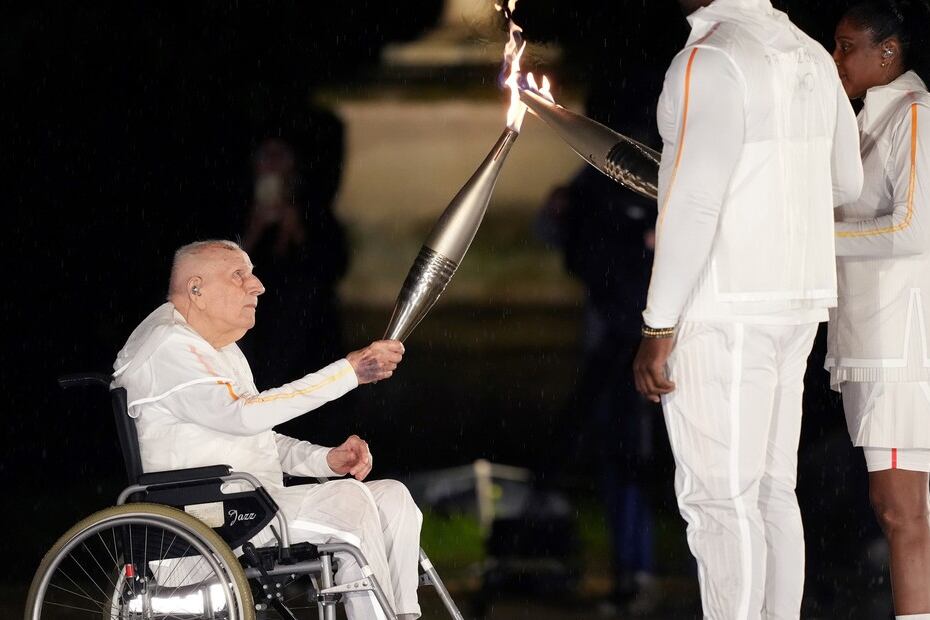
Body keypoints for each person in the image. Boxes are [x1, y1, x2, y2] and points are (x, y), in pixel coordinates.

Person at [632, 0, 863, 617]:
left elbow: (696, 201)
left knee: (719, 500)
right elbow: (847, 181)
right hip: (795, 299)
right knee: (768, 492)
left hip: (725, 305)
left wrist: (659, 323)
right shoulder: (811, 51)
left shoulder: (711, 57)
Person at [112, 239, 419, 620]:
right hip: (206, 519)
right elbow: (246, 415)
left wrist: (324, 459)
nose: (257, 285)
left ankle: (403, 615)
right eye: (239, 275)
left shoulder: (217, 347)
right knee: (349, 505)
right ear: (196, 290)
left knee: (393, 498)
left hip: (249, 506)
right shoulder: (168, 346)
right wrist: (348, 373)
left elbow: (256, 434)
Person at [828, 2, 930, 617]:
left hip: (901, 352)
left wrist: (815, 238)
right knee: (900, 510)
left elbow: (914, 230)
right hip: (873, 343)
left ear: (886, 52)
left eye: (846, 47)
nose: (836, 60)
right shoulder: (872, 119)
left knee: (900, 510)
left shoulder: (914, 117)